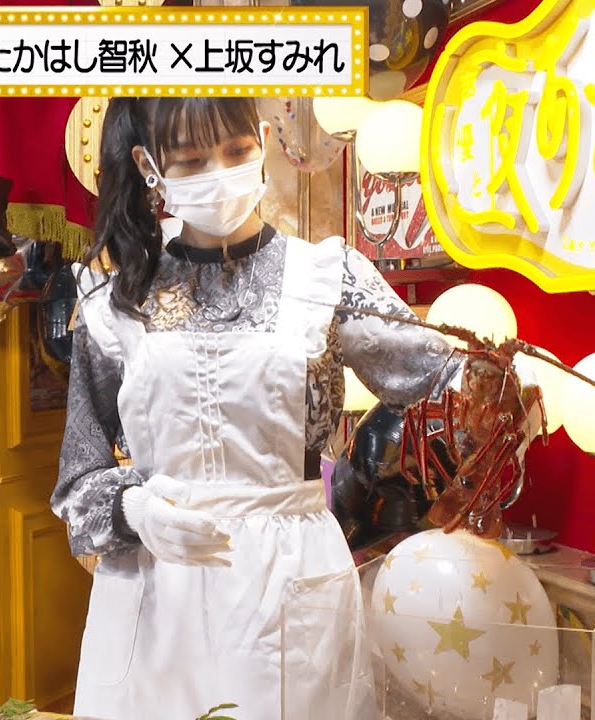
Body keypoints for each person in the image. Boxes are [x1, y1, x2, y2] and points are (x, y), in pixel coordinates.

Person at [51, 97, 463, 720]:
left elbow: (442, 378)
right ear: (149, 166)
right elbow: (77, 484)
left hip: (292, 579)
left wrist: (499, 390)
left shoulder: (327, 278)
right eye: (191, 161)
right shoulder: (117, 302)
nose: (218, 172)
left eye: (236, 151)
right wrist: (134, 510)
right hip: (161, 587)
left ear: (264, 140)